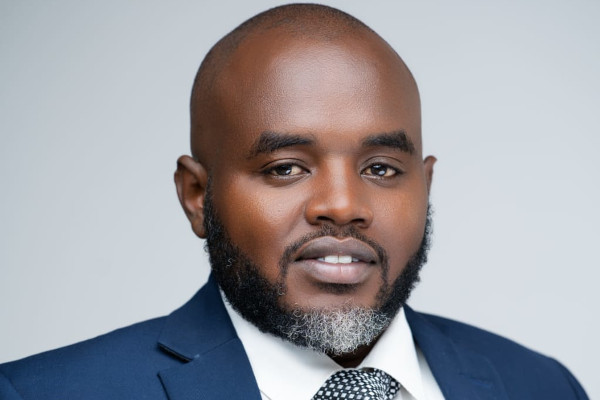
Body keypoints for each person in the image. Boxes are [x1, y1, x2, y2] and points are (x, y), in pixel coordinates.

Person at [0, 4, 588, 399]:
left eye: (381, 168)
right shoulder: (41, 394)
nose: (343, 204)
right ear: (197, 196)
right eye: (286, 168)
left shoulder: (541, 386)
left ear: (425, 187)